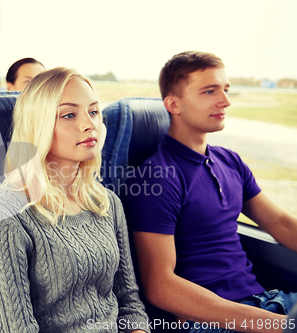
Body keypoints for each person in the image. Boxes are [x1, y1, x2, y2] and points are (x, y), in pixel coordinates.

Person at [127, 51, 297, 333]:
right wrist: (277, 325)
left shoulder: (230, 161)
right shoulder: (157, 177)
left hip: (265, 302)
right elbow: (159, 286)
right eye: (209, 91)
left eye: (225, 90)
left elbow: (280, 224)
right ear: (173, 104)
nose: (225, 101)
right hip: (211, 321)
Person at [0, 67, 149, 332]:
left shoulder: (107, 202)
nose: (89, 124)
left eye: (93, 112)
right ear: (39, 127)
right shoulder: (4, 212)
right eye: (69, 114)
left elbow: (128, 300)